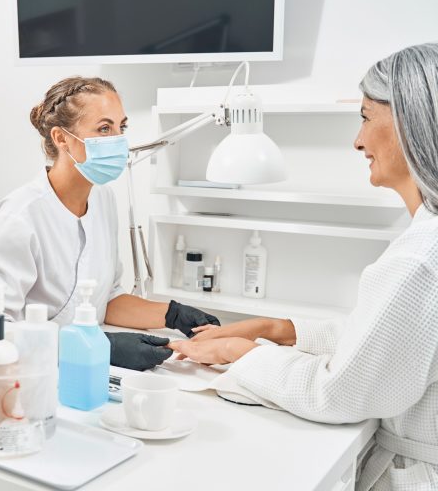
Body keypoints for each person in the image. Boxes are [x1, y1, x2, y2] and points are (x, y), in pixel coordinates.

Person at [170, 43, 438, 490]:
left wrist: (240, 354)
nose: (357, 140)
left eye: (367, 117)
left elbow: (342, 394)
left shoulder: (419, 259)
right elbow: (381, 340)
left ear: (411, 124)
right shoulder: (425, 240)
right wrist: (277, 329)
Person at [0, 76, 220, 371]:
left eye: (120, 127)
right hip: (19, 374)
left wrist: (173, 315)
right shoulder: (21, 215)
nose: (118, 140)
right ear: (62, 139)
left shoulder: (103, 200)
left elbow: (106, 300)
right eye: (104, 128)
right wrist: (100, 347)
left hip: (81, 368)